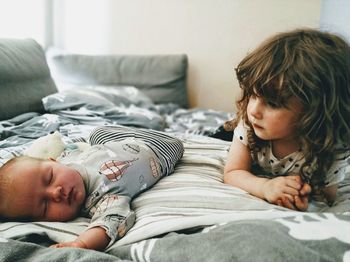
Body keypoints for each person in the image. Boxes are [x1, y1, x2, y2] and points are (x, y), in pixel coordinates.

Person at [223, 28, 350, 212]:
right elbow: (233, 172)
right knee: (222, 132)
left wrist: (299, 194)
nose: (254, 110)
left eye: (273, 103)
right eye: (252, 95)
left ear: (315, 112)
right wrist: (265, 187)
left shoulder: (333, 146)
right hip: (244, 137)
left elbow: (327, 196)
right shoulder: (249, 124)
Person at [0, 125, 184, 250]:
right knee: (98, 136)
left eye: (49, 178)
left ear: (54, 161)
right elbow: (111, 222)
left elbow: (71, 150)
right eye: (45, 206)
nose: (56, 192)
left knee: (96, 134)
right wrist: (82, 244)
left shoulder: (66, 160)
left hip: (120, 141)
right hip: (163, 151)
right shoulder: (102, 200)